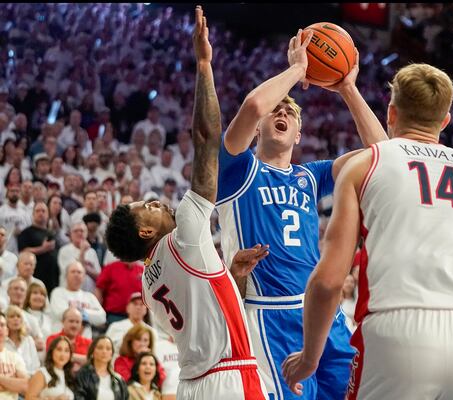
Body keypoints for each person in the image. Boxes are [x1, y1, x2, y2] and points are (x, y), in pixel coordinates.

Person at [281, 63, 453, 399]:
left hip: (400, 329)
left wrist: (310, 358)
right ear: (444, 121)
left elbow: (328, 280)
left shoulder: (364, 166)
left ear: (391, 112)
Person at [104, 6, 267, 399]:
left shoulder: (148, 282)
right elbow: (207, 136)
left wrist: (233, 276)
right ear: (145, 231)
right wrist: (204, 63)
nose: (156, 202)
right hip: (231, 378)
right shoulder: (186, 237)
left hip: (192, 386)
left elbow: (203, 317)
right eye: (147, 206)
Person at [217, 24, 386, 400]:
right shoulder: (238, 170)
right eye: (275, 111)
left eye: (289, 114)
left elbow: (385, 157)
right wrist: (298, 70)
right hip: (269, 314)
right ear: (258, 129)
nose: (280, 112)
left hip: (323, 314)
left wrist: (347, 88)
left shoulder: (312, 176)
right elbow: (253, 106)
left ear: (298, 135)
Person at [74, 335, 128, 400]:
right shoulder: (83, 375)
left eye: (108, 349)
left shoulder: (119, 380)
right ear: (92, 352)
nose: (104, 351)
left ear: (111, 354)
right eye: (100, 348)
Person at [114, 323, 165, 390]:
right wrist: (140, 357)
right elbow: (127, 382)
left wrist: (147, 357)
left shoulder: (151, 359)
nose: (142, 344)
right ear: (130, 341)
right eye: (138, 339)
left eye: (146, 340)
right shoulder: (121, 361)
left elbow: (160, 378)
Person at [25, 335, 75, 400]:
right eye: (59, 349)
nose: (63, 354)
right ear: (51, 352)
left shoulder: (69, 376)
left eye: (66, 350)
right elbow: (28, 398)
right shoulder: (42, 373)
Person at [0, 312, 29, 399]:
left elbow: (26, 386)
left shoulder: (15, 357)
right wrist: (13, 383)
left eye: (2, 325)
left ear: (7, 331)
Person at [5, 305, 39, 375]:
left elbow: (36, 367)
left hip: (29, 380)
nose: (16, 319)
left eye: (18, 316)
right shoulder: (2, 342)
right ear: (6, 321)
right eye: (12, 316)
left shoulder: (29, 340)